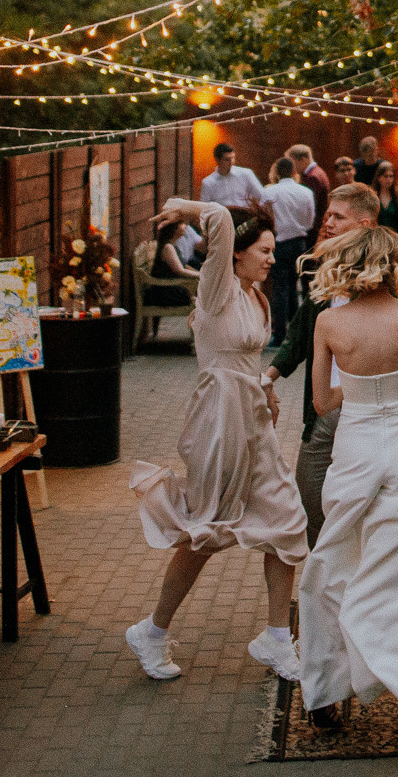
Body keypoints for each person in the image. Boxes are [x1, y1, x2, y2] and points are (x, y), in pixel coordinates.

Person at [298, 163, 398, 730]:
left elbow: (322, 404)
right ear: (391, 265)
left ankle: (324, 692)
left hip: (357, 447)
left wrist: (359, 386)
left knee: (335, 558)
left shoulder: (329, 325)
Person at [126, 199, 308, 684]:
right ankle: (152, 630)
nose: (272, 259)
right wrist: (182, 208)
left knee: (288, 520)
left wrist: (266, 390)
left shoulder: (254, 295)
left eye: (273, 251)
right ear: (237, 254)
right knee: (206, 529)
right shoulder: (218, 288)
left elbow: (249, 360)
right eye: (264, 251)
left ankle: (275, 637)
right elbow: (221, 221)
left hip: (252, 418)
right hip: (219, 420)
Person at [264, 180, 398, 545]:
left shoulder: (396, 285)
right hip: (327, 410)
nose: (328, 223)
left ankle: (361, 576)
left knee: (376, 507)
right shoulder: (328, 276)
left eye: (337, 216)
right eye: (327, 215)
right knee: (311, 500)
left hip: (379, 413)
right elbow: (300, 332)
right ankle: (331, 571)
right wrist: (269, 375)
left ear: (365, 225)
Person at [264, 158, 320, 344]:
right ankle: (297, 332)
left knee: (280, 287)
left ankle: (279, 334)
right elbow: (310, 220)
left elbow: (265, 216)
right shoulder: (306, 192)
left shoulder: (269, 191)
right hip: (299, 242)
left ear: (278, 172)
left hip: (279, 242)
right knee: (296, 286)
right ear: (294, 171)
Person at [200, 142, 267, 214]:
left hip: (244, 216)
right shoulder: (208, 182)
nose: (231, 162)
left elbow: (261, 195)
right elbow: (204, 207)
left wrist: (255, 208)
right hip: (222, 218)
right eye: (227, 159)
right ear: (217, 160)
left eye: (233, 158)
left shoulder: (246, 174)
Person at [369, 159, 398, 243]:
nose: (389, 179)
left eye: (391, 176)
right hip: (378, 239)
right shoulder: (372, 194)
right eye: (385, 176)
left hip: (396, 238)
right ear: (378, 177)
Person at [288, 143, 332, 234]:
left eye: (293, 163)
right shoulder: (316, 172)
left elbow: (310, 205)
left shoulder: (313, 177)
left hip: (313, 228)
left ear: (303, 160)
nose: (293, 168)